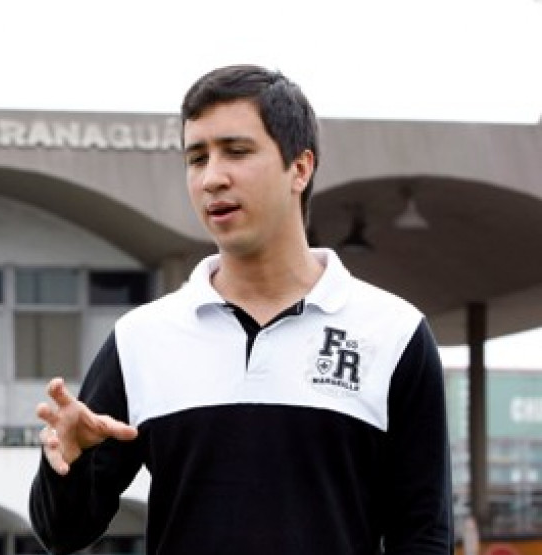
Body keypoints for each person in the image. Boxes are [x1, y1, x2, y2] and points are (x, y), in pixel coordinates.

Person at [28, 64, 453, 554]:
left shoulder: (394, 334)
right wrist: (70, 462)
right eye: (196, 157)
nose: (211, 178)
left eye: (236, 151)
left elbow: (423, 534)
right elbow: (64, 533)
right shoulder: (141, 338)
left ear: (300, 167)